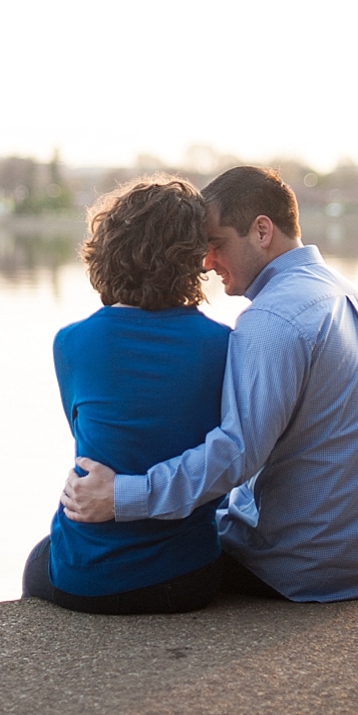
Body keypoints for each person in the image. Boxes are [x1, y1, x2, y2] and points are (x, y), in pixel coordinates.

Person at [61, 165, 358, 602]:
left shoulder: (270, 321)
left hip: (310, 566)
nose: (206, 263)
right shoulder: (347, 294)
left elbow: (235, 454)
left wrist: (121, 497)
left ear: (262, 231)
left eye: (216, 245)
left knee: (115, 557)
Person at [22, 174, 231, 614]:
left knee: (37, 561)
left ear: (107, 248)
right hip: (189, 577)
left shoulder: (72, 343)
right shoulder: (225, 345)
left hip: (89, 578)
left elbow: (92, 440)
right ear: (194, 259)